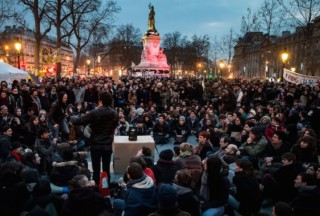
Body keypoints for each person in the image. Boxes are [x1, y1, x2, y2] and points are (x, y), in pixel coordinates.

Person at [71, 91, 118, 185]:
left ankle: (96, 187)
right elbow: (114, 127)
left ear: (100, 101)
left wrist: (71, 116)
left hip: (96, 145)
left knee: (96, 169)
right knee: (106, 169)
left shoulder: (94, 112)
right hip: (107, 145)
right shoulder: (115, 113)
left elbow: (78, 121)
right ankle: (105, 187)